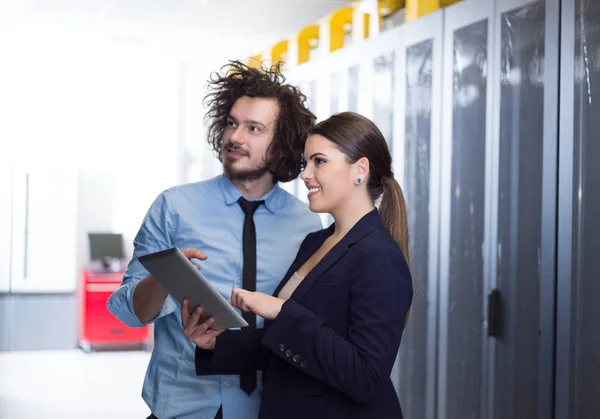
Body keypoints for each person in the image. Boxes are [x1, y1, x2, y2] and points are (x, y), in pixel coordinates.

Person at [106, 60, 322, 419]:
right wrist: (163, 278)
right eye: (233, 123)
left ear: (283, 144)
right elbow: (129, 313)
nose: (235, 137)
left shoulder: (306, 224)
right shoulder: (174, 206)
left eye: (254, 128)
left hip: (269, 407)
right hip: (183, 407)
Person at [185, 112, 414, 419]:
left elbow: (366, 377)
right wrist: (215, 343)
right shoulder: (315, 242)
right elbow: (287, 346)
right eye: (306, 163)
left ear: (360, 170)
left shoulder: (378, 256)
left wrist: (280, 310)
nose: (305, 174)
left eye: (319, 161)